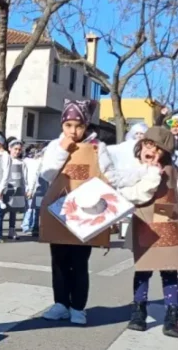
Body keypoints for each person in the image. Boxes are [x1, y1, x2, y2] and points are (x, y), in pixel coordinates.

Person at [39, 99, 119, 326]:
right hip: (60, 211)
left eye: (79, 125)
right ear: (62, 125)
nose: (73, 131)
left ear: (86, 126)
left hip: (87, 212)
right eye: (68, 125)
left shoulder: (98, 147)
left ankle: (78, 307)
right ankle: (60, 303)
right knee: (59, 260)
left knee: (80, 261)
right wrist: (62, 150)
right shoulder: (55, 146)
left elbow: (109, 177)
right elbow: (46, 174)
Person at [114, 126, 177, 337]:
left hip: (170, 227)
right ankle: (138, 311)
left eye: (158, 149)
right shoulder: (136, 170)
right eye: (147, 145)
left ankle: (172, 314)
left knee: (170, 271)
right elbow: (131, 195)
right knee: (143, 270)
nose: (151, 151)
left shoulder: (172, 171)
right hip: (145, 225)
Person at [4, 138, 27, 241]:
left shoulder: (22, 163)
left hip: (17, 189)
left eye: (19, 149)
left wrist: (26, 188)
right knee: (2, 210)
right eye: (15, 149)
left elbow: (24, 176)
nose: (17, 151)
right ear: (10, 148)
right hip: (5, 188)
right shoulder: (4, 160)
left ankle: (12, 229)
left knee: (13, 211)